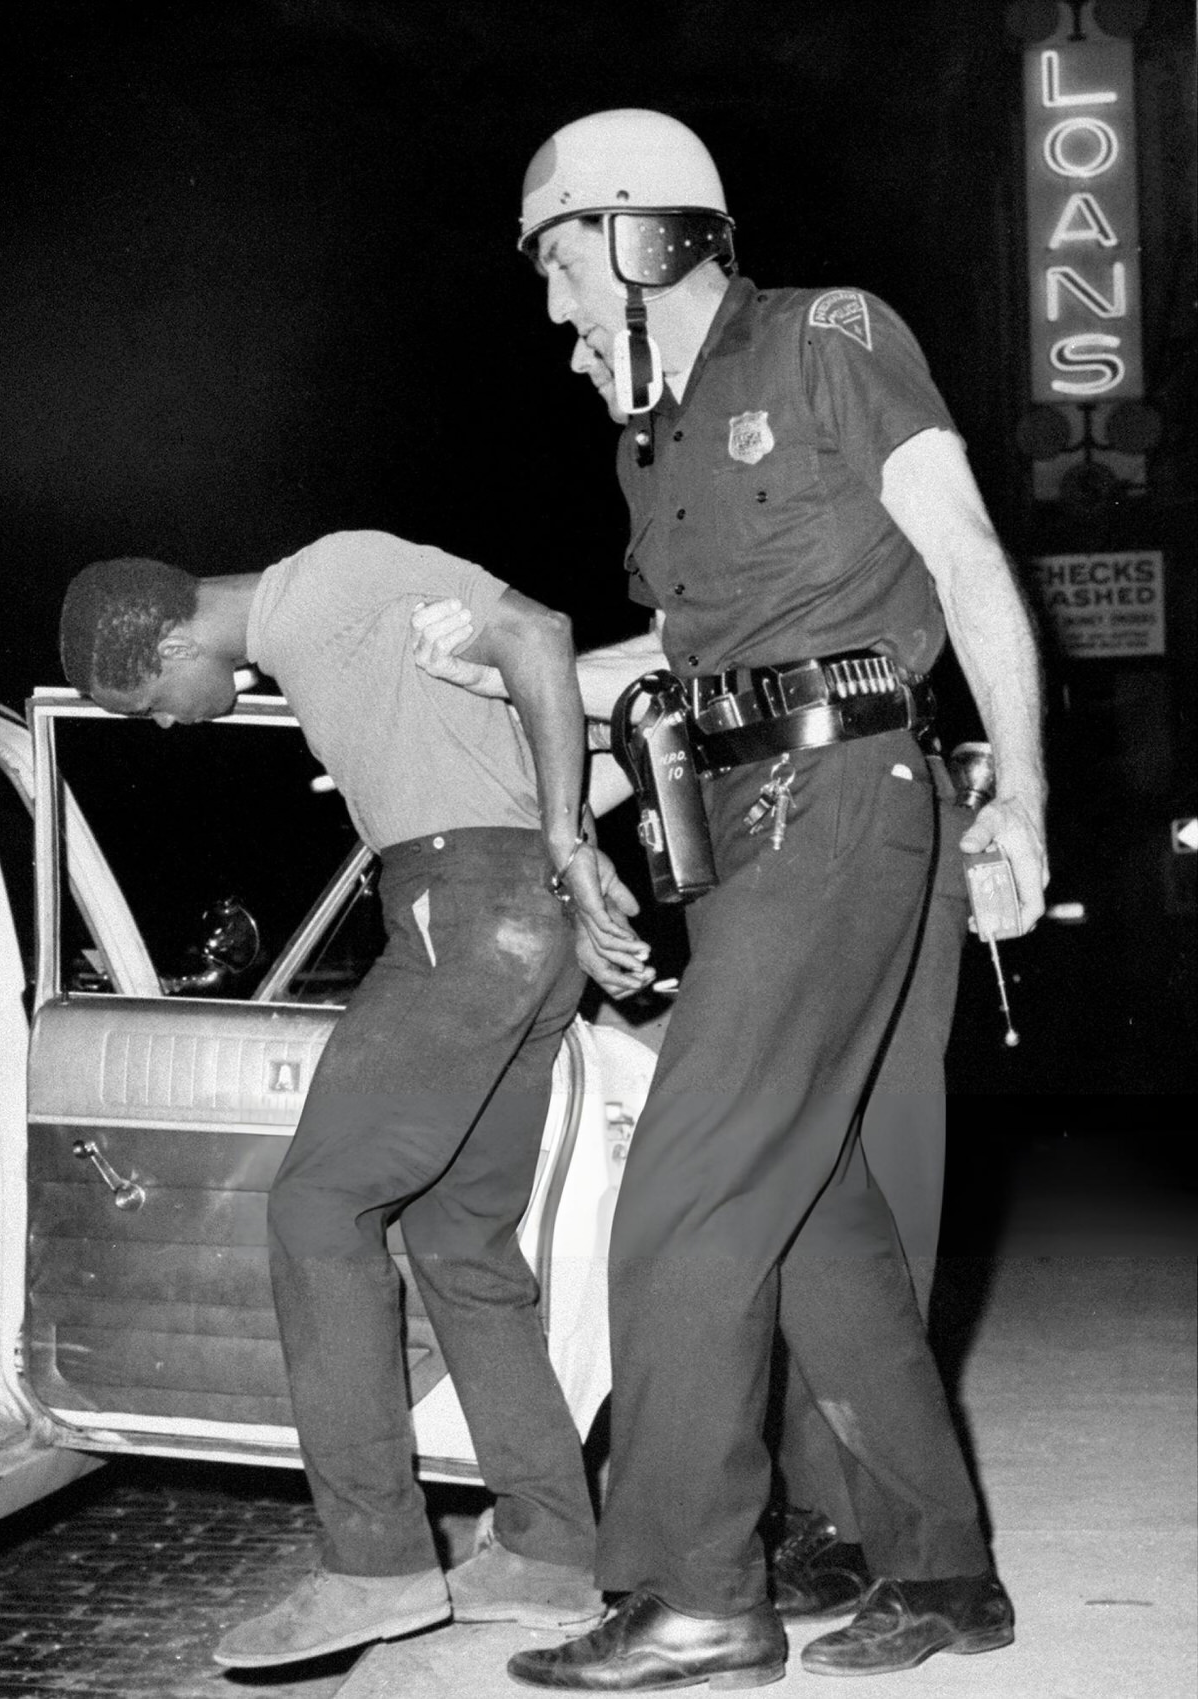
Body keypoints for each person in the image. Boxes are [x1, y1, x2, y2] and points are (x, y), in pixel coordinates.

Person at [415, 108, 1047, 1688]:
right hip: (744, 822)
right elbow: (682, 671)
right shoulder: (650, 440)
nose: (555, 316)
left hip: (849, 790)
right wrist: (501, 697)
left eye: (561, 264)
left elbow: (965, 557)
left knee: (685, 1191)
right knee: (815, 1215)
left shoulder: (832, 338)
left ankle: (695, 1587)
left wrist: (1025, 792)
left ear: (645, 233)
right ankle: (945, 1568)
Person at [56, 533, 652, 1671]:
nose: (172, 724)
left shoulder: (324, 584)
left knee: (317, 1207)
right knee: (457, 1235)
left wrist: (570, 841)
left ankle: (370, 1564)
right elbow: (499, 718)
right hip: (514, 919)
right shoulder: (318, 645)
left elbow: (536, 632)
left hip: (469, 911)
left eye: (150, 704)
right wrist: (556, 849)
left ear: (176, 640)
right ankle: (545, 1551)